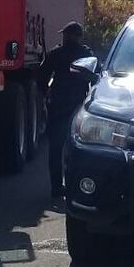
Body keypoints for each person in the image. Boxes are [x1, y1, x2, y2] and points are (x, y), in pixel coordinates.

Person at [37, 21, 94, 199]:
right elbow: (95, 78)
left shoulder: (56, 53)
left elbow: (41, 77)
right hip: (79, 107)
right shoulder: (86, 54)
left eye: (65, 34)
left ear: (68, 36)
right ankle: (77, 185)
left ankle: (56, 186)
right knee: (79, 148)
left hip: (58, 106)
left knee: (56, 148)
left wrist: (45, 94)